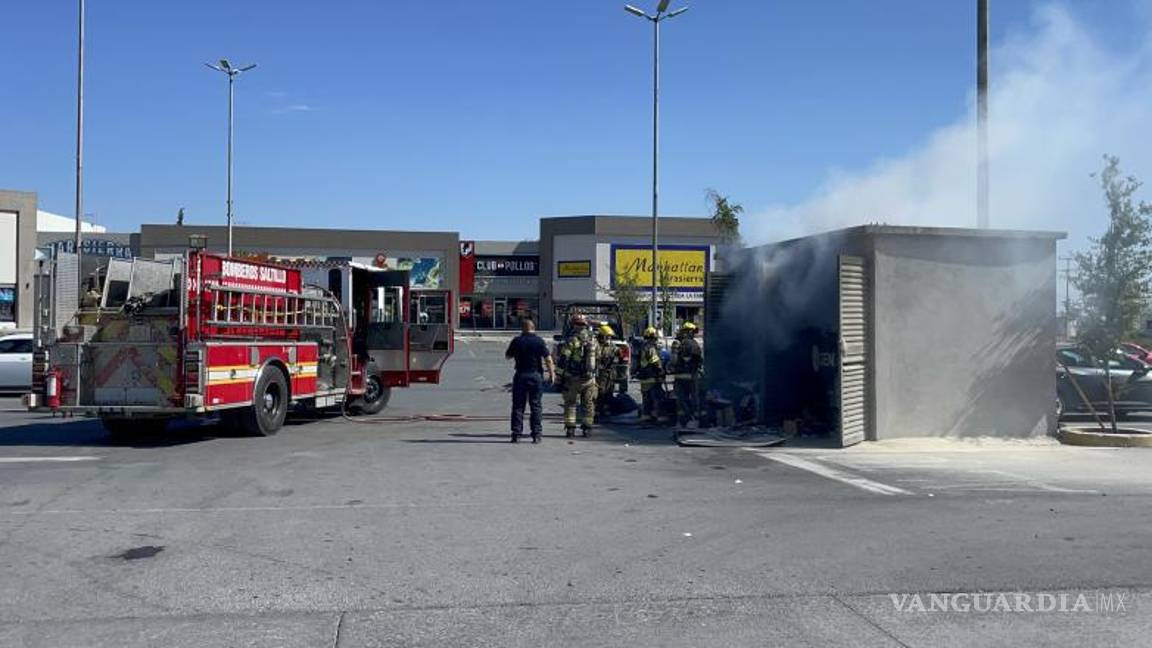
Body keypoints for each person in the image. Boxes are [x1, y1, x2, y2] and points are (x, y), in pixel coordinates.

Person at [504, 318, 554, 443]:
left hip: (521, 375)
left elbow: (508, 356)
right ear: (534, 328)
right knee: (536, 406)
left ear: (522, 328)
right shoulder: (539, 341)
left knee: (518, 406)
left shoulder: (517, 341)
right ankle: (536, 435)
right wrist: (552, 374)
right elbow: (548, 359)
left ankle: (516, 434)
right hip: (535, 375)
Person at [555, 314, 598, 438]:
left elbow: (564, 358)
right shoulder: (593, 339)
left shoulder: (572, 340)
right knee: (588, 403)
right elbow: (598, 357)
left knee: (570, 403)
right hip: (589, 378)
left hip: (573, 378)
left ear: (574, 325)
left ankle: (570, 429)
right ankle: (587, 429)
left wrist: (559, 375)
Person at [669, 321, 704, 428]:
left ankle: (682, 421)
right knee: (694, 398)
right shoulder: (694, 344)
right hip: (692, 376)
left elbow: (673, 362)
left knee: (681, 400)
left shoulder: (677, 343)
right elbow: (699, 360)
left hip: (680, 377)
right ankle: (694, 420)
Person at [635, 326, 665, 423]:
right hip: (652, 377)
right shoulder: (651, 348)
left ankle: (646, 416)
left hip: (644, 377)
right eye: (656, 338)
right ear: (653, 337)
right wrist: (661, 371)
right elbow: (655, 361)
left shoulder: (643, 347)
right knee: (656, 397)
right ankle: (657, 416)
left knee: (646, 398)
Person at [594, 323, 622, 417]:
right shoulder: (596, 345)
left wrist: (619, 354)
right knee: (600, 391)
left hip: (610, 372)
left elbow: (618, 354)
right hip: (599, 372)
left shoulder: (611, 346)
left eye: (610, 337)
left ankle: (606, 409)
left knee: (609, 391)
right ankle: (598, 409)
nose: (609, 339)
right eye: (607, 337)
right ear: (602, 336)